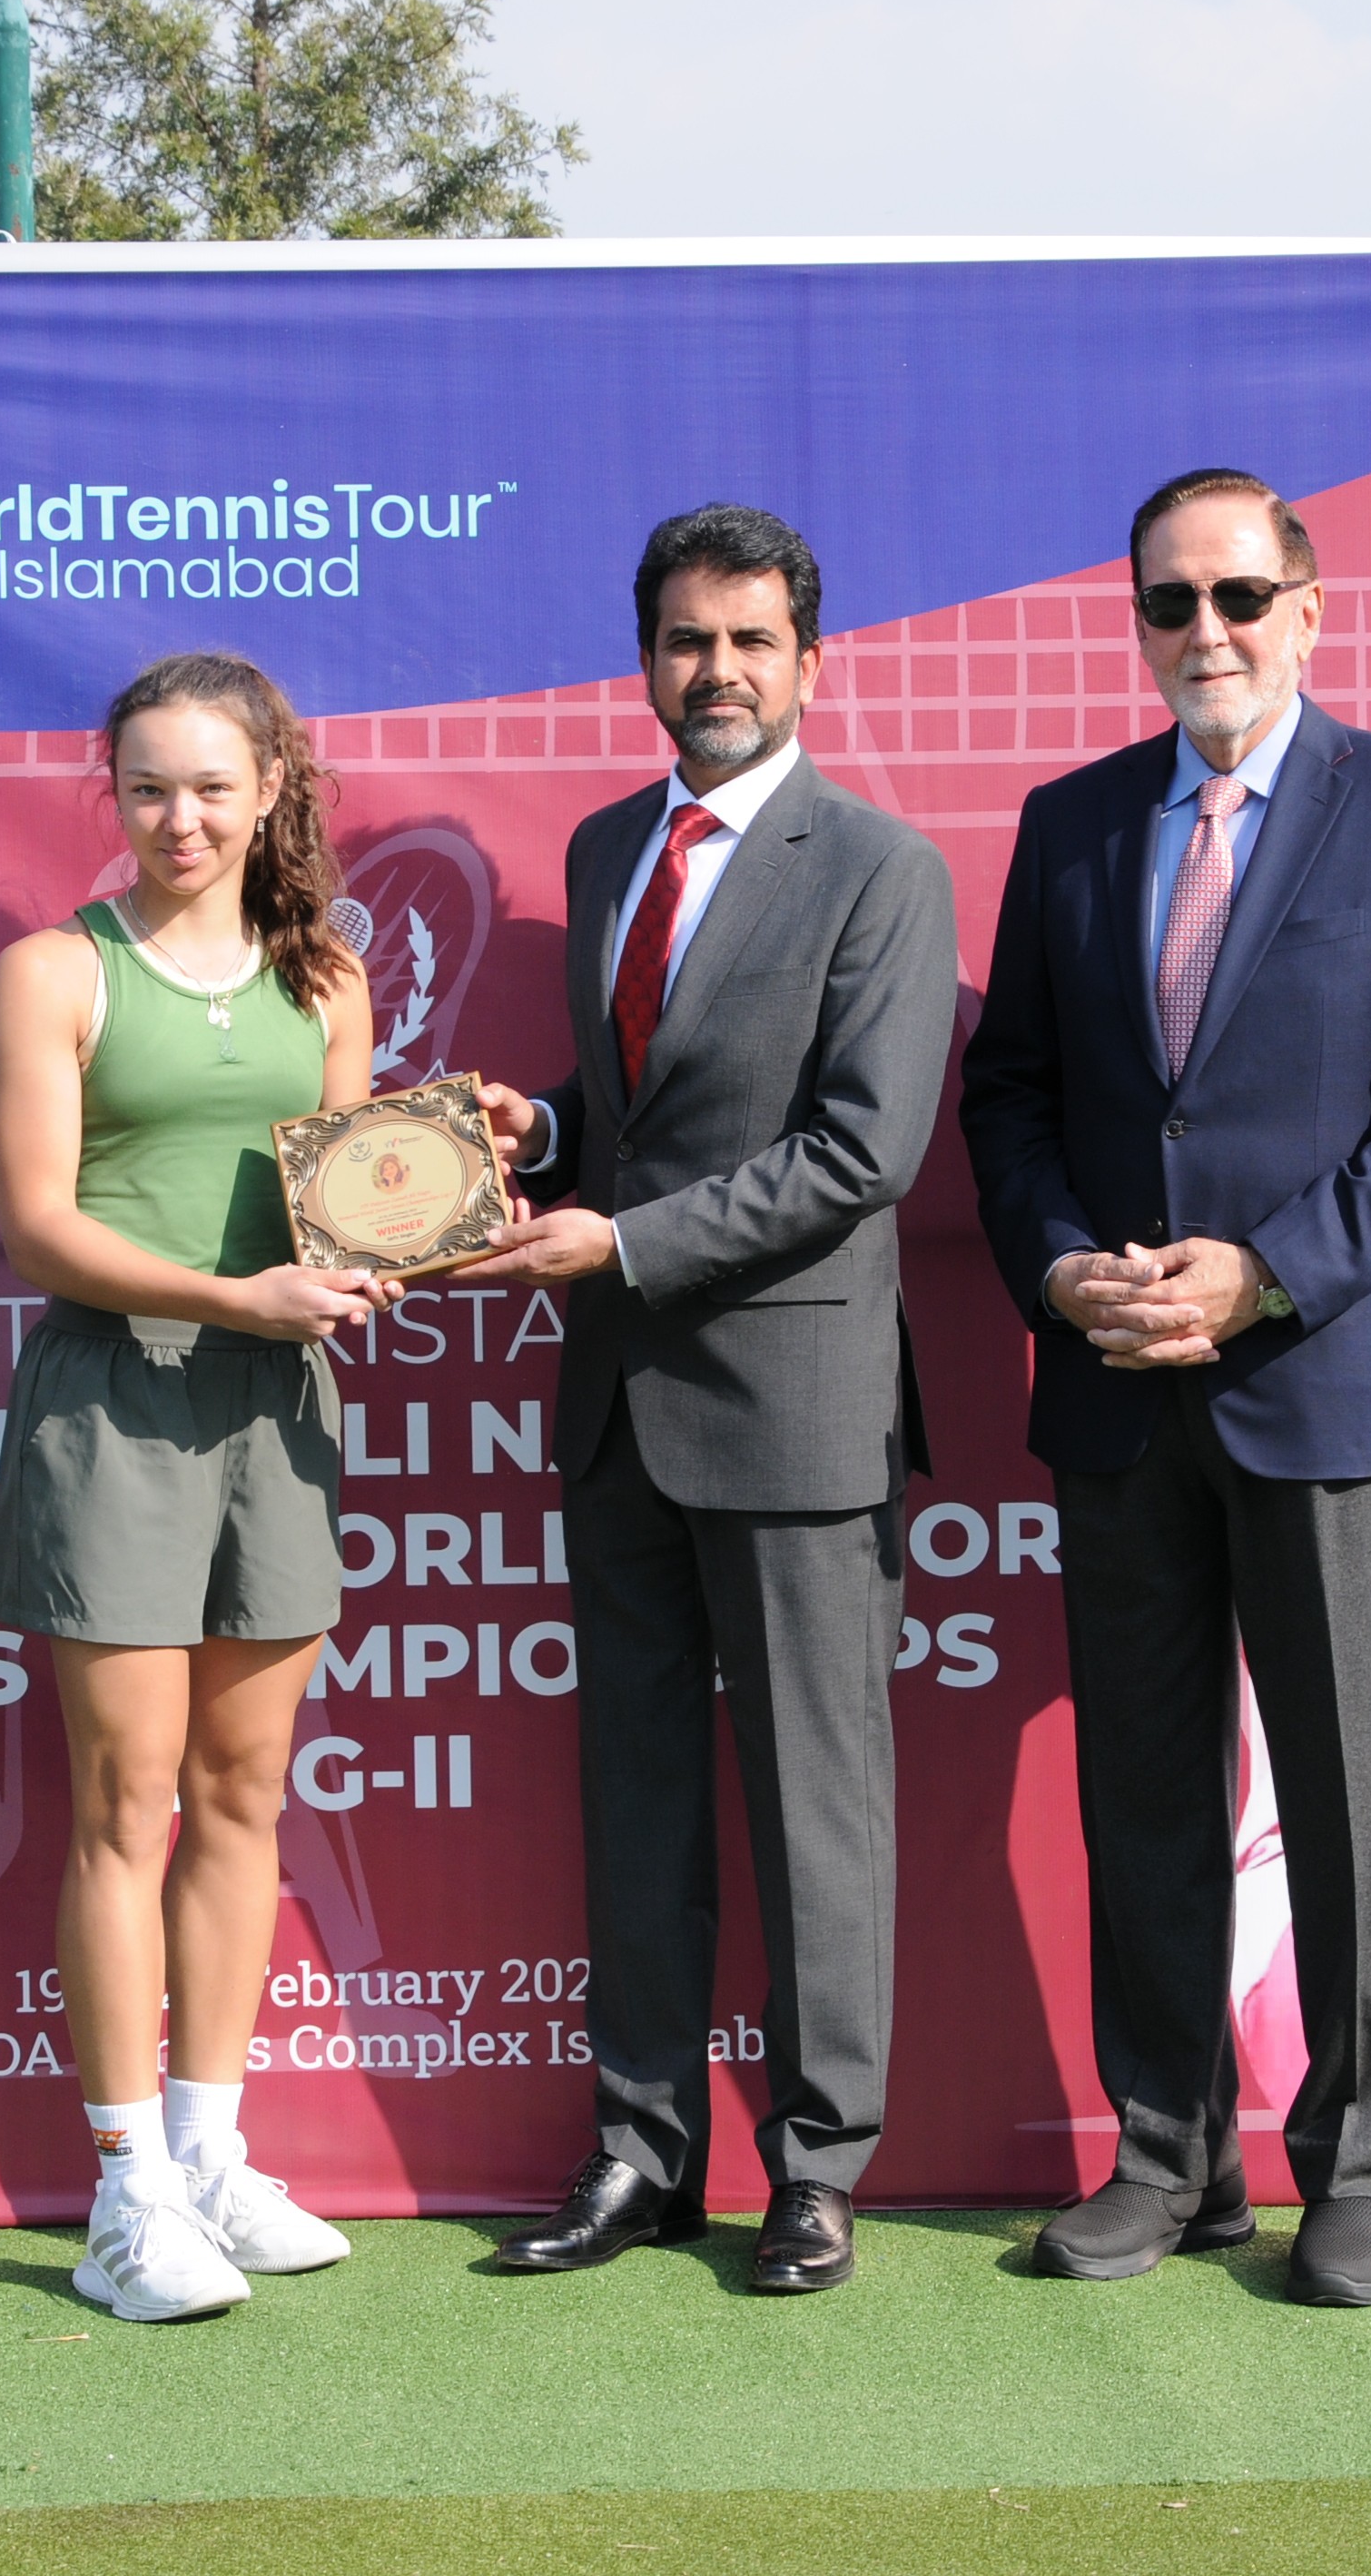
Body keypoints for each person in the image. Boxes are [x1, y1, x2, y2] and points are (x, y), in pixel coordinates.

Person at [960, 468, 1371, 2307]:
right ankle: (1164, 2155)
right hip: (1117, 1390)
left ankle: (1353, 2164)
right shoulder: (1071, 823)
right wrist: (1058, 1268)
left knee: (1349, 1798)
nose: (1201, 631)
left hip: (1321, 1378)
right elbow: (1013, 1093)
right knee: (1141, 1794)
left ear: (1308, 604)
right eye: (1164, 603)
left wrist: (1264, 1270)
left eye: (1235, 595)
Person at [468, 503, 960, 2295]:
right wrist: (532, 1128)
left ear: (808, 663)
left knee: (813, 1804)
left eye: (750, 640)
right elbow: (645, 1108)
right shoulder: (608, 850)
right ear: (646, 658)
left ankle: (817, 2167)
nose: (717, 671)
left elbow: (858, 1148)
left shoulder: (880, 869)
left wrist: (622, 1243)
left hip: (796, 1402)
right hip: (613, 1402)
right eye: (686, 639)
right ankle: (637, 2152)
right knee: (638, 1795)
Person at [0, 650, 392, 2324]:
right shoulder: (49, 973)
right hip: (115, 1411)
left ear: (269, 790)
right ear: (114, 791)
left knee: (243, 1799)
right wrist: (237, 1299)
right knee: (121, 1808)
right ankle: (127, 2192)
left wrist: (446, 1184)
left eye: (213, 786)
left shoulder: (332, 981)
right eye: (148, 786)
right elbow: (39, 1227)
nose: (180, 818)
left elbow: (351, 1217)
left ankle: (216, 2154)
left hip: (278, 1418)